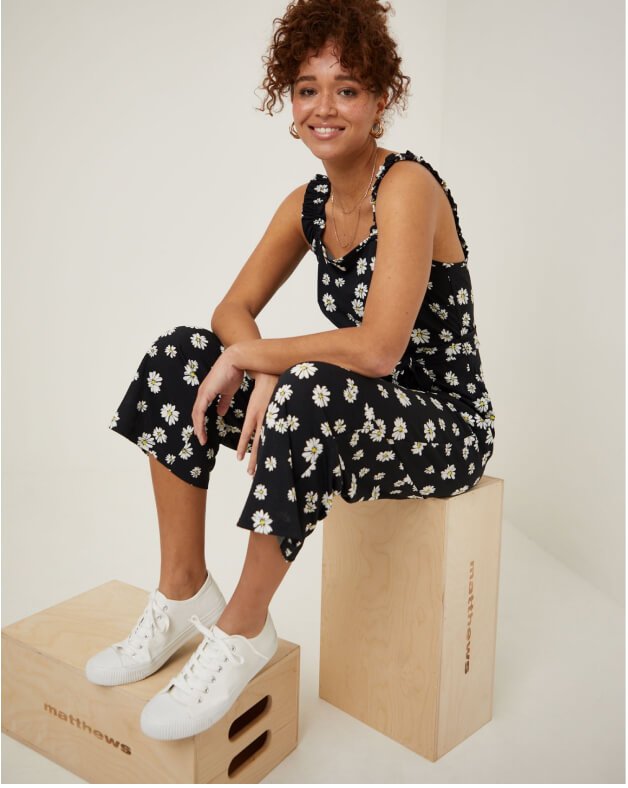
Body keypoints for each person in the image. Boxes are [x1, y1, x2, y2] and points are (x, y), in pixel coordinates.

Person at [85, 0, 496, 742]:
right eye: (308, 88)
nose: (325, 108)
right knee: (180, 356)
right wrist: (257, 361)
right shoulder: (308, 203)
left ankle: (244, 630)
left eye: (346, 89)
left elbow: (377, 351)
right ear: (290, 100)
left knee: (306, 381)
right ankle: (183, 591)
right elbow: (232, 307)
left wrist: (267, 359)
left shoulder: (407, 188)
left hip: (446, 424)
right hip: (349, 399)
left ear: (379, 100)